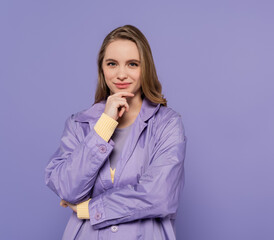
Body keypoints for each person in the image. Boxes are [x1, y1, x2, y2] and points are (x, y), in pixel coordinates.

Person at [44, 24, 187, 240]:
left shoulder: (167, 124)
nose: (121, 74)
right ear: (102, 68)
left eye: (132, 64)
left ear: (145, 68)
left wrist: (89, 209)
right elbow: (68, 189)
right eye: (112, 64)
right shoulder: (78, 124)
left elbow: (159, 196)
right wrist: (105, 125)